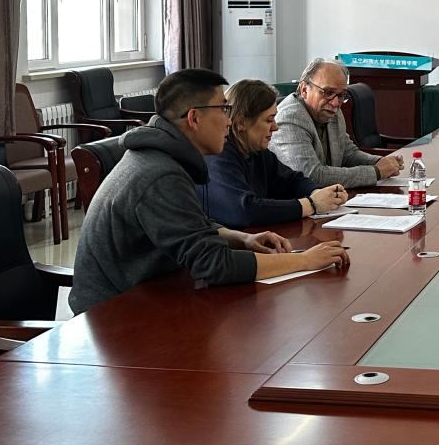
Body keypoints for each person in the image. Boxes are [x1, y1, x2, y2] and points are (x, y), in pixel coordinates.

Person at [70, 68, 349, 315]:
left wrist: (242, 238)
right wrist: (304, 260)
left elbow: (191, 226)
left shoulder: (166, 158)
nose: (229, 121)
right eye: (224, 110)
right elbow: (214, 264)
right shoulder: (160, 174)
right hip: (113, 316)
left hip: (152, 293)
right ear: (194, 118)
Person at [198, 79, 348, 229]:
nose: (275, 127)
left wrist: (321, 193)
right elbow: (245, 210)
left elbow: (292, 180)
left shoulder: (256, 150)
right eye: (269, 120)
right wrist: (312, 204)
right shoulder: (218, 155)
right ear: (241, 123)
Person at [269, 58, 403, 189]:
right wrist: (377, 172)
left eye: (341, 95)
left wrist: (380, 162)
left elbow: (348, 154)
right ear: (304, 90)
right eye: (328, 92)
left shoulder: (332, 111)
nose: (335, 103)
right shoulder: (289, 119)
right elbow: (311, 176)